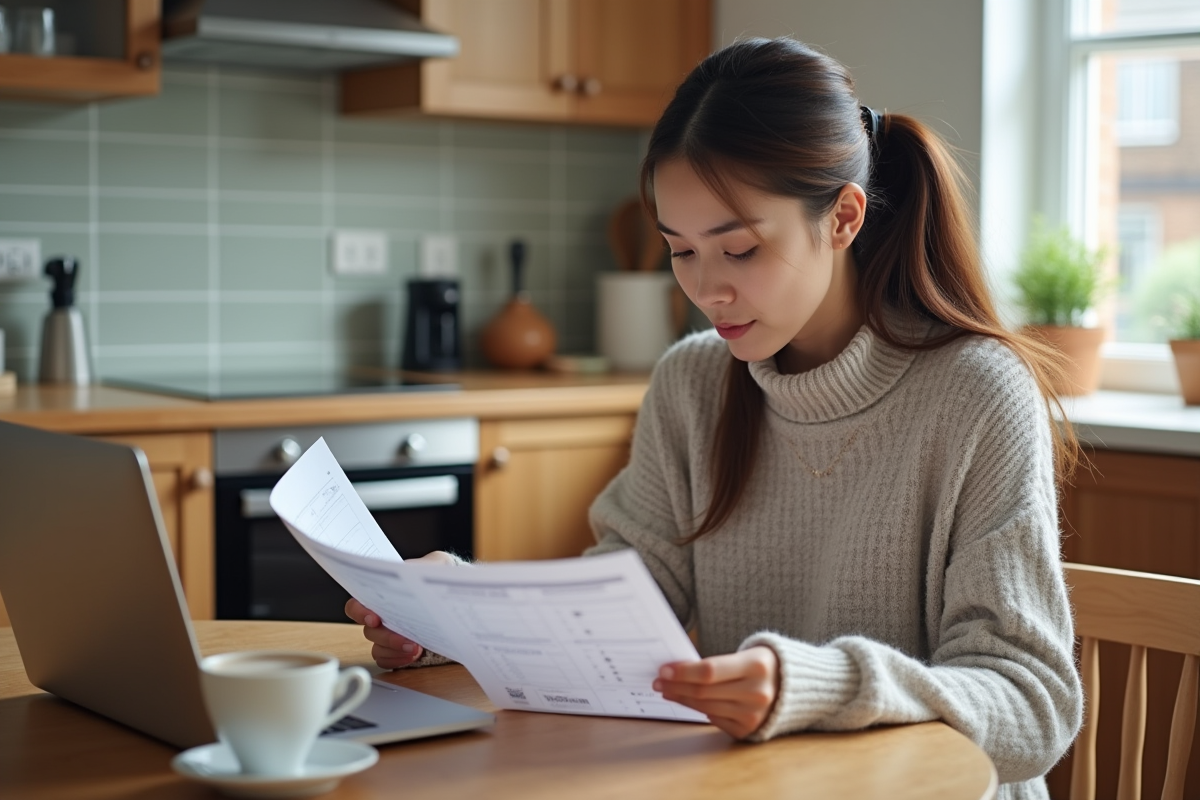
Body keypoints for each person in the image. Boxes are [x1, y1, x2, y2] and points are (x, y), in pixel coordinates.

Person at [347, 37, 1082, 800]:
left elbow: (1034, 706)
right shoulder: (692, 381)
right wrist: (454, 614)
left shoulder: (976, 393)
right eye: (681, 251)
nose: (707, 291)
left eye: (739, 250)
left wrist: (819, 686)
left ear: (843, 218)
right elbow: (616, 614)